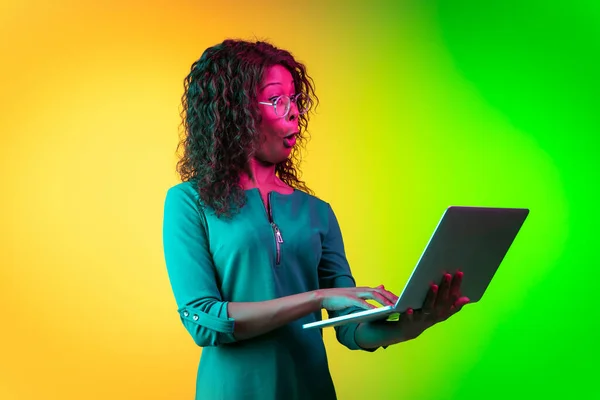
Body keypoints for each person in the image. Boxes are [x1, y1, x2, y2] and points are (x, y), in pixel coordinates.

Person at [162, 39, 469, 400]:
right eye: (277, 100)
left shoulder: (317, 212)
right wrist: (319, 298)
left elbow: (351, 330)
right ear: (234, 112)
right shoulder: (188, 202)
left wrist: (414, 324)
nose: (294, 113)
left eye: (295, 100)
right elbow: (205, 321)